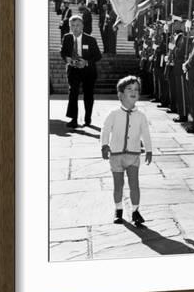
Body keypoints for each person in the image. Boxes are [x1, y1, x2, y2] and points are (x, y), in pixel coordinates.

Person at [101, 76, 153, 225]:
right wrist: (104, 145)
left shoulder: (141, 116)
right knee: (118, 185)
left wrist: (149, 150)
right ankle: (118, 210)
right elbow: (105, 131)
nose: (133, 92)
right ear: (120, 94)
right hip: (116, 156)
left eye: (136, 89)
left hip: (133, 155)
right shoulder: (113, 114)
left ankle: (135, 211)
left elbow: (146, 134)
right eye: (129, 89)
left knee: (134, 184)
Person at [60, 15, 102, 128]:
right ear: (69, 27)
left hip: (88, 71)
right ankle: (73, 119)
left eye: (78, 25)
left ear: (82, 26)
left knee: (88, 94)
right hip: (73, 70)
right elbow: (63, 52)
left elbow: (98, 56)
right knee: (73, 93)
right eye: (72, 26)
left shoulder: (90, 39)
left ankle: (87, 118)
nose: (75, 28)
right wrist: (67, 59)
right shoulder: (67, 38)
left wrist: (86, 62)